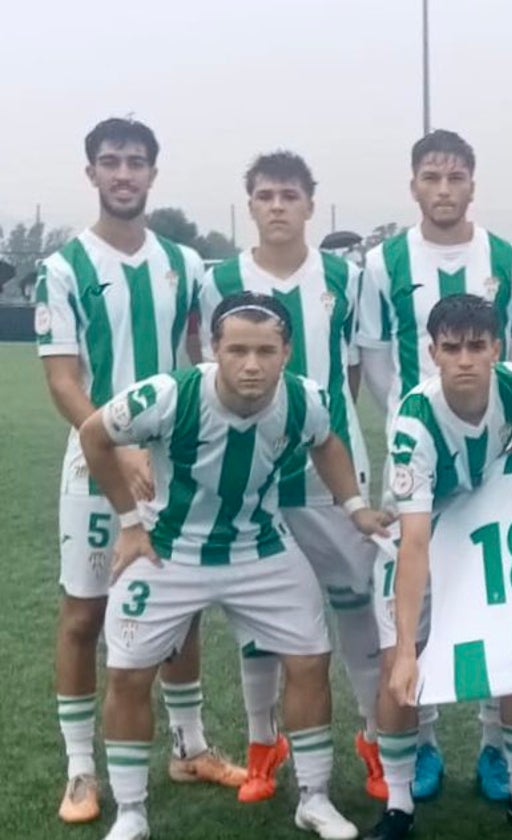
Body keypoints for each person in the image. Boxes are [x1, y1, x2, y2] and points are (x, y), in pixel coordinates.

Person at [79, 292, 391, 840]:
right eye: (238, 350)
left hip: (260, 549)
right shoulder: (170, 395)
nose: (252, 364)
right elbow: (93, 435)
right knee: (128, 675)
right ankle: (132, 811)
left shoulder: (304, 399)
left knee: (310, 662)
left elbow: (329, 444)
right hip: (169, 550)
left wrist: (355, 508)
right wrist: (130, 523)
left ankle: (314, 798)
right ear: (212, 348)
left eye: (266, 351)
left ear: (286, 352)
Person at [34, 117, 242, 825]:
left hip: (173, 465)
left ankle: (189, 747)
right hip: (95, 462)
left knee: (179, 611)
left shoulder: (186, 265)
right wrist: (111, 443)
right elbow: (62, 379)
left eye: (136, 162)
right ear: (91, 173)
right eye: (110, 162)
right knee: (84, 614)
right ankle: (81, 770)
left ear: (154, 173)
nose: (124, 174)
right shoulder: (64, 269)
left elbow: (206, 357)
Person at [197, 151, 384, 803]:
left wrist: (326, 430)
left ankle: (374, 738)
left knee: (357, 603)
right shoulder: (217, 277)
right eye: (266, 195)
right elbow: (210, 376)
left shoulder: (345, 276)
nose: (278, 206)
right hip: (251, 475)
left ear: (310, 204)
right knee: (258, 615)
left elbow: (355, 367)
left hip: (331, 473)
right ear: (250, 204)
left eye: (290, 195)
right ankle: (262, 740)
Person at [357, 130, 512, 801]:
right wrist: (417, 417)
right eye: (431, 177)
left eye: (455, 177)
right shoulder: (383, 263)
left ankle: (495, 745)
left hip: (493, 460)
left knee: (497, 598)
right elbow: (375, 357)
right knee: (414, 601)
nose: (443, 189)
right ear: (414, 185)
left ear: (472, 184)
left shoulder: (510, 261)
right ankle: (422, 743)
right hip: (417, 453)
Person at [368, 294, 512, 840]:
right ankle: (397, 805)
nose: (464, 359)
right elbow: (414, 542)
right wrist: (412, 651)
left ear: (495, 349)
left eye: (476, 347)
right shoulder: (414, 422)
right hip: (417, 535)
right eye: (452, 348)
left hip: (482, 529)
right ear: (433, 353)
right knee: (398, 665)